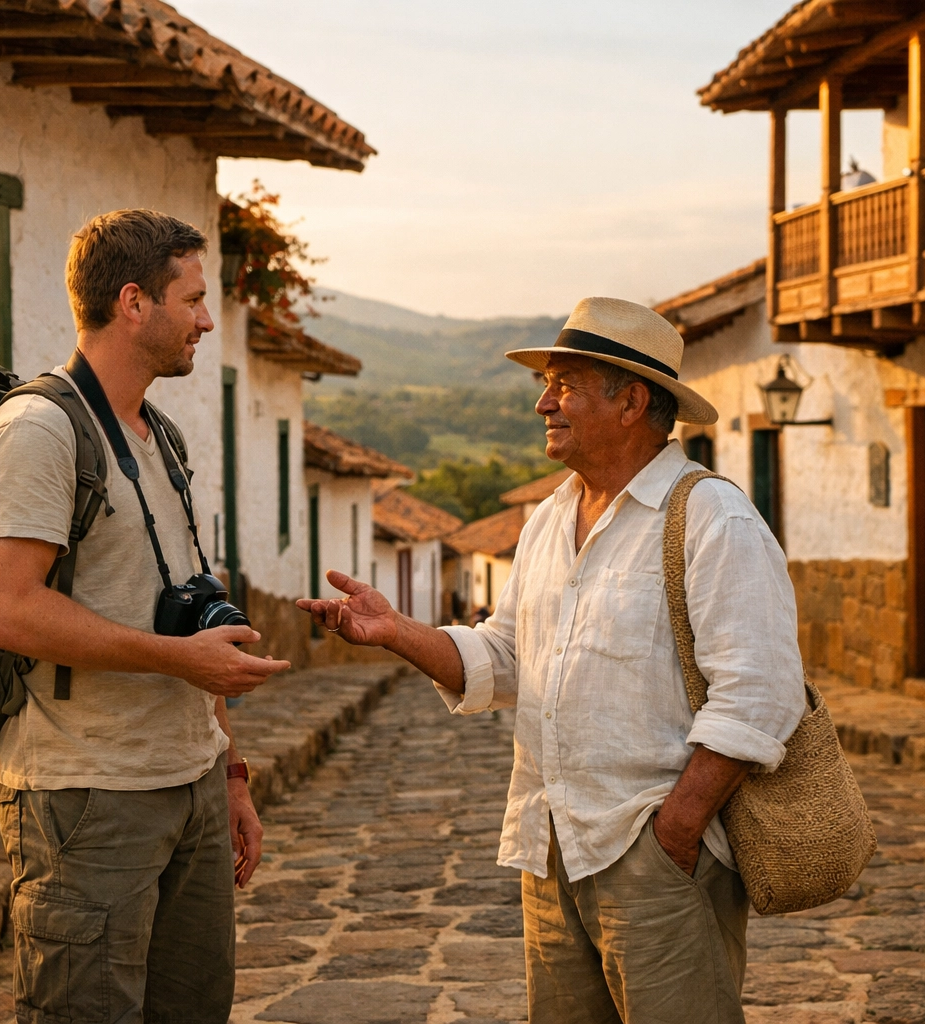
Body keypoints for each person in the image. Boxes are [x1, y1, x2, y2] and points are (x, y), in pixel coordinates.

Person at [298, 297, 807, 1024]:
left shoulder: (712, 518)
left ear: (631, 402)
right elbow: (507, 657)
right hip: (550, 846)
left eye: (565, 386)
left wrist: (674, 833)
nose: (543, 404)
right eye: (547, 386)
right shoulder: (548, 520)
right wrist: (396, 631)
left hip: (654, 854)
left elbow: (760, 695)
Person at [0, 209, 289, 1024]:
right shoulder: (37, 432)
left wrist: (230, 771)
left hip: (189, 785)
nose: (207, 322)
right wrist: (179, 661)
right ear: (134, 302)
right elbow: (6, 610)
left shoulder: (160, 436)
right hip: (87, 798)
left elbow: (193, 619)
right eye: (194, 300)